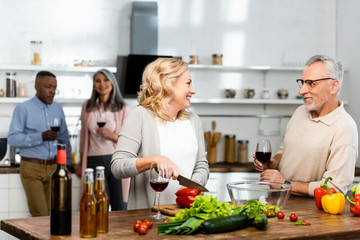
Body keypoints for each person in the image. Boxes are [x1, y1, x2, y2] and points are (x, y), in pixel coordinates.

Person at [111, 58, 210, 209]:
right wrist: (154, 160)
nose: (193, 90)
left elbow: (201, 165)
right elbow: (118, 166)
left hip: (185, 214)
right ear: (167, 83)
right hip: (149, 216)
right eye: (188, 83)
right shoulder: (140, 115)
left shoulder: (193, 120)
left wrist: (195, 184)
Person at [254, 55, 358, 196]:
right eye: (302, 82)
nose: (301, 91)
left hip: (311, 212)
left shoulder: (345, 127)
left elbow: (335, 188)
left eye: (311, 83)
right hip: (278, 201)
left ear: (333, 86)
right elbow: (284, 151)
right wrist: (273, 164)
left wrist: (285, 183)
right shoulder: (301, 111)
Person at [8, 71, 71, 217]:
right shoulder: (23, 108)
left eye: (55, 88)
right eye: (48, 87)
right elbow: (13, 138)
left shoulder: (58, 109)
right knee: (41, 216)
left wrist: (66, 164)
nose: (52, 91)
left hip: (55, 168)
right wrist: (40, 136)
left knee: (54, 214)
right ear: (36, 86)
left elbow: (64, 139)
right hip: (32, 168)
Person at [76, 69, 131, 210]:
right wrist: (80, 162)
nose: (102, 84)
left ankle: (119, 232)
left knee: (120, 206)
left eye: (106, 80)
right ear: (94, 85)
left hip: (116, 160)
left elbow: (130, 139)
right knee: (99, 206)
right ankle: (101, 232)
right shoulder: (87, 106)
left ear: (112, 83)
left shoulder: (123, 108)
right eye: (98, 81)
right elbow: (83, 137)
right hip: (93, 161)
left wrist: (111, 135)